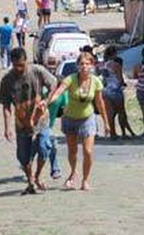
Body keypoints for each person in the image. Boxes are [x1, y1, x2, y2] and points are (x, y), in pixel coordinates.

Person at [0, 47, 57, 195]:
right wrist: (7, 127)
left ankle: (37, 176)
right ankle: (30, 181)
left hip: (41, 119)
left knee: (45, 147)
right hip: (21, 123)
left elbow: (53, 85)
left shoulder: (37, 71)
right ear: (11, 63)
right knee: (23, 157)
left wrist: (46, 101)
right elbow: (6, 106)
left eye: (21, 65)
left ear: (26, 62)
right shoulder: (7, 80)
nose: (19, 68)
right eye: (15, 65)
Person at [48, 52, 110, 190]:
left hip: (87, 119)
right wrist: (48, 102)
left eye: (87, 64)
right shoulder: (70, 79)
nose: (84, 66)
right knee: (72, 151)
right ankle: (73, 172)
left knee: (87, 151)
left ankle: (85, 180)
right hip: (70, 118)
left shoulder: (96, 82)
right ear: (78, 66)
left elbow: (100, 103)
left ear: (92, 66)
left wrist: (106, 122)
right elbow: (59, 91)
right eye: (82, 64)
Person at [101, 46, 136, 139]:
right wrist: (123, 85)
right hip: (116, 90)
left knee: (110, 113)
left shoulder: (104, 65)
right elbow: (120, 79)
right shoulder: (116, 65)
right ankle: (124, 133)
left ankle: (113, 133)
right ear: (114, 54)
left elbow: (104, 80)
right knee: (121, 112)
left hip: (106, 90)